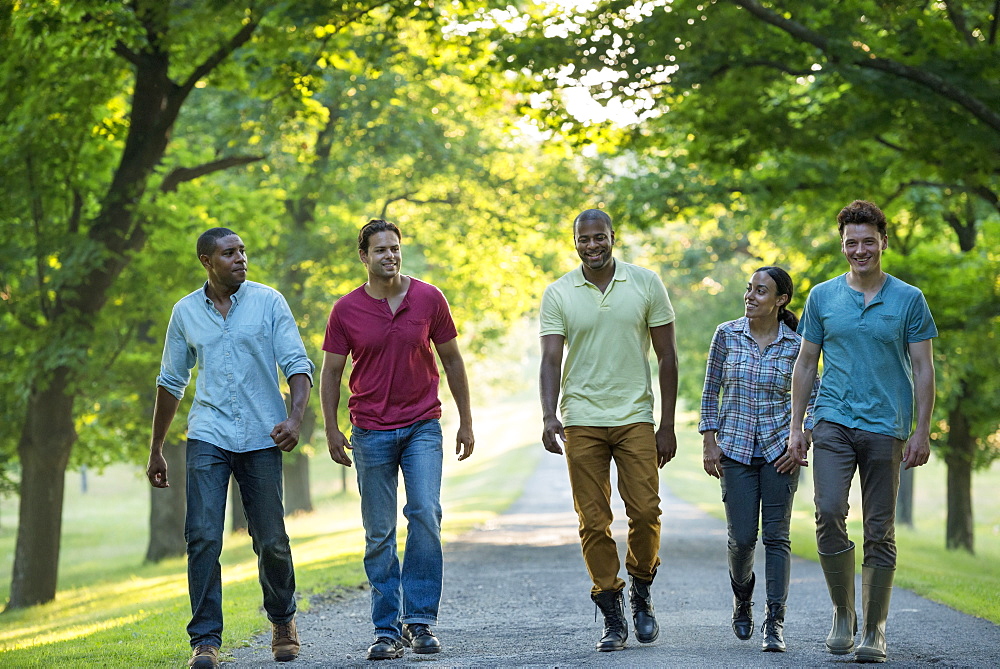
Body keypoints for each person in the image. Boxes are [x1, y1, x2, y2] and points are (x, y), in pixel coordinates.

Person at [147, 227, 314, 668]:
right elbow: (170, 381)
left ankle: (282, 618)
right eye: (229, 253)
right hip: (208, 434)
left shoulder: (269, 302)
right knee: (202, 537)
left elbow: (297, 363)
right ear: (207, 260)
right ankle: (205, 641)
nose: (240, 258)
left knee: (271, 539)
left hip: (262, 435)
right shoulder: (185, 312)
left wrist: (295, 418)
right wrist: (157, 447)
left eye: (242, 250)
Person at [787, 200, 937, 663]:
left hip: (886, 427)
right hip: (832, 420)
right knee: (828, 512)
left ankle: (874, 630)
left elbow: (923, 368)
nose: (859, 250)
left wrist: (922, 431)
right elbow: (806, 363)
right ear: (842, 244)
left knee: (879, 528)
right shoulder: (823, 297)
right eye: (851, 242)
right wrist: (798, 425)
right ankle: (842, 614)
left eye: (867, 241)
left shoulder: (909, 299)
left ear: (883, 242)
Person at [320, 219, 474, 661]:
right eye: (380, 249)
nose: (390, 255)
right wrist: (331, 428)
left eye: (395, 248)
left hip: (423, 424)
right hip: (369, 430)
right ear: (364, 257)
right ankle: (386, 629)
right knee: (379, 532)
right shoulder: (345, 311)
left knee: (425, 513)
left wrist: (465, 421)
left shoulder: (429, 298)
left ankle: (420, 622)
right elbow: (332, 372)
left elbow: (452, 361)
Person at [539, 208, 678, 652]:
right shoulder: (558, 292)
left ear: (613, 237)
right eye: (584, 239)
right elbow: (550, 360)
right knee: (593, 521)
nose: (592, 245)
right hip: (581, 419)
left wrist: (668, 425)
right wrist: (548, 415)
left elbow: (668, 357)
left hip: (636, 416)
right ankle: (612, 609)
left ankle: (640, 584)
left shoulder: (646, 283)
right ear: (574, 241)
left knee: (645, 512)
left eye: (599, 237)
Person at [699, 266, 819, 653]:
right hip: (733, 450)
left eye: (761, 291)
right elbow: (709, 390)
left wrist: (802, 437)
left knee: (777, 537)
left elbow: (815, 397)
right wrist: (708, 441)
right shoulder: (726, 335)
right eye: (749, 289)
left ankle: (775, 622)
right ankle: (742, 597)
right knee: (741, 540)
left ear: (781, 300)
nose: (750, 296)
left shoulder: (797, 344)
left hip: (779, 452)